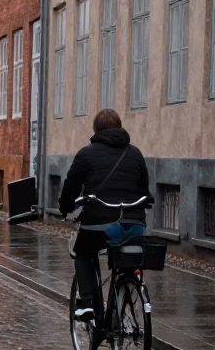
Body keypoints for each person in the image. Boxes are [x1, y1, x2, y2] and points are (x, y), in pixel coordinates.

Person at [59, 108, 151, 322]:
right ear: (119, 128)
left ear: (96, 129)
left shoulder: (86, 153)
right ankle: (125, 295)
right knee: (128, 258)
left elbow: (71, 186)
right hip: (133, 223)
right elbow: (144, 189)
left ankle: (87, 303)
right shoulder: (135, 153)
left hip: (100, 224)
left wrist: (65, 208)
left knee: (82, 252)